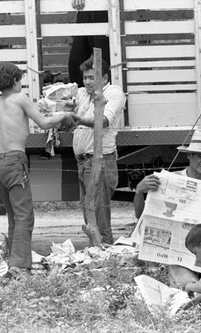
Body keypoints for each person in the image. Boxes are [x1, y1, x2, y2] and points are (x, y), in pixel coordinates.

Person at [0, 62, 74, 278]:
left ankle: (14, 263)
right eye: (20, 80)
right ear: (15, 80)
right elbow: (44, 123)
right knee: (25, 217)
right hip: (15, 161)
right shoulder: (20, 98)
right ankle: (18, 267)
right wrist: (64, 115)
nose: (21, 84)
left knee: (14, 218)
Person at [133, 128, 201, 287]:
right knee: (189, 286)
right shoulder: (170, 181)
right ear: (189, 155)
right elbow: (141, 215)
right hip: (178, 256)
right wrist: (139, 192)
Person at [73, 54, 126, 245]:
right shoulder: (81, 94)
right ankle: (97, 252)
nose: (87, 82)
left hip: (99, 161)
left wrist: (77, 120)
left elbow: (103, 120)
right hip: (82, 161)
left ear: (104, 78)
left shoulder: (113, 93)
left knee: (99, 217)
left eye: (91, 77)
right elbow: (65, 102)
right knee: (90, 214)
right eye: (85, 78)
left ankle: (104, 257)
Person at [68, 0, 110, 87]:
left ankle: (107, 97)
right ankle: (81, 97)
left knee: (104, 61)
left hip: (105, 9)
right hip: (85, 11)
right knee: (76, 61)